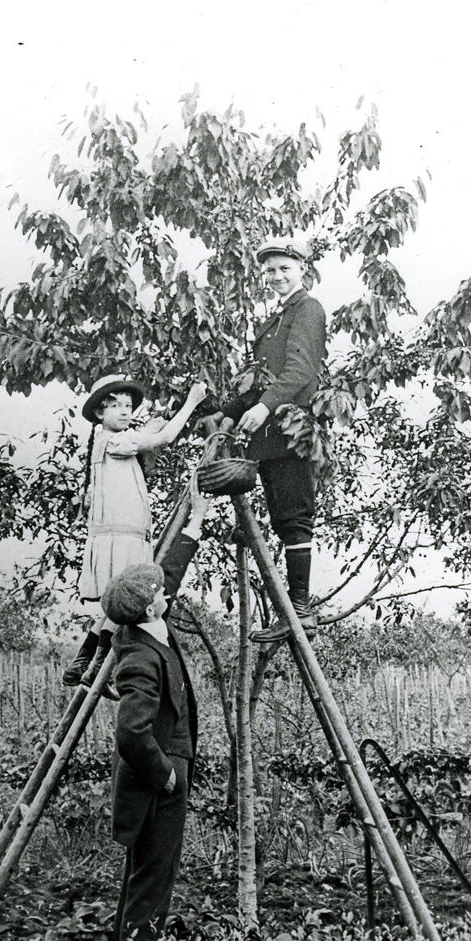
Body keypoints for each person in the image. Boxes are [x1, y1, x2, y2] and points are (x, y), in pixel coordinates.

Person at [102, 483, 211, 941]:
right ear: (149, 606)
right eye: (159, 592)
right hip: (157, 785)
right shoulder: (140, 657)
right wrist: (167, 776)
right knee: (150, 891)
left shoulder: (146, 624)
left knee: (143, 886)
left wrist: (196, 518)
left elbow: (168, 570)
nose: (168, 592)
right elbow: (131, 733)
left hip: (164, 773)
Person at [199, 236, 327, 642]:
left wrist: (266, 406)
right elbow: (260, 383)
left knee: (295, 520)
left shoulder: (308, 309)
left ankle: (301, 611)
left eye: (284, 269)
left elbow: (301, 369)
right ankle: (290, 613)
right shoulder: (274, 320)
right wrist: (229, 412)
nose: (276, 276)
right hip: (268, 435)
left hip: (292, 429)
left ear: (302, 269)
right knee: (281, 517)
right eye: (270, 270)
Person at [62, 373, 207, 690]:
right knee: (128, 604)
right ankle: (98, 666)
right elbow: (164, 438)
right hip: (121, 537)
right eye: (116, 406)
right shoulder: (114, 442)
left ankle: (84, 663)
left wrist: (152, 425)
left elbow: (147, 436)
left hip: (126, 535)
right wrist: (191, 402)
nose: (125, 411)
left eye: (128, 406)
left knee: (119, 606)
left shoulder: (113, 442)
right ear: (100, 413)